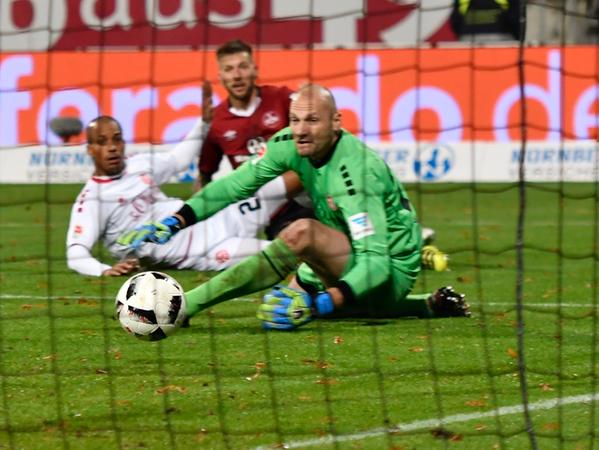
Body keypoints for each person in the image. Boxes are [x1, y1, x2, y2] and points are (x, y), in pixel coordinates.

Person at [119, 84, 470, 330]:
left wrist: (324, 301)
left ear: (336, 123)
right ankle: (427, 305)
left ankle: (185, 305)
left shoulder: (356, 175)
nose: (300, 130)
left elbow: (376, 264)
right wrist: (177, 220)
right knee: (286, 306)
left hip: (389, 266)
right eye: (295, 119)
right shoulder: (289, 143)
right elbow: (233, 185)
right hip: (344, 252)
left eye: (312, 121)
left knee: (303, 236)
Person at [66, 85, 297, 277]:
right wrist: (104, 270)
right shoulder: (92, 200)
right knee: (290, 252)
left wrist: (203, 123)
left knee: (294, 178)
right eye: (102, 142)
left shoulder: (139, 164)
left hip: (218, 213)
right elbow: (76, 253)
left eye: (116, 140)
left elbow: (179, 159)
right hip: (208, 251)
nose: (112, 148)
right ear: (90, 149)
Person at [195, 39, 314, 239]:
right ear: (221, 76)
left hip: (307, 192)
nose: (237, 75)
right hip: (273, 211)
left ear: (255, 70)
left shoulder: (282, 98)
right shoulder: (216, 121)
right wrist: (201, 222)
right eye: (229, 69)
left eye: (243, 67)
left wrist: (312, 103)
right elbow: (203, 176)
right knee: (299, 249)